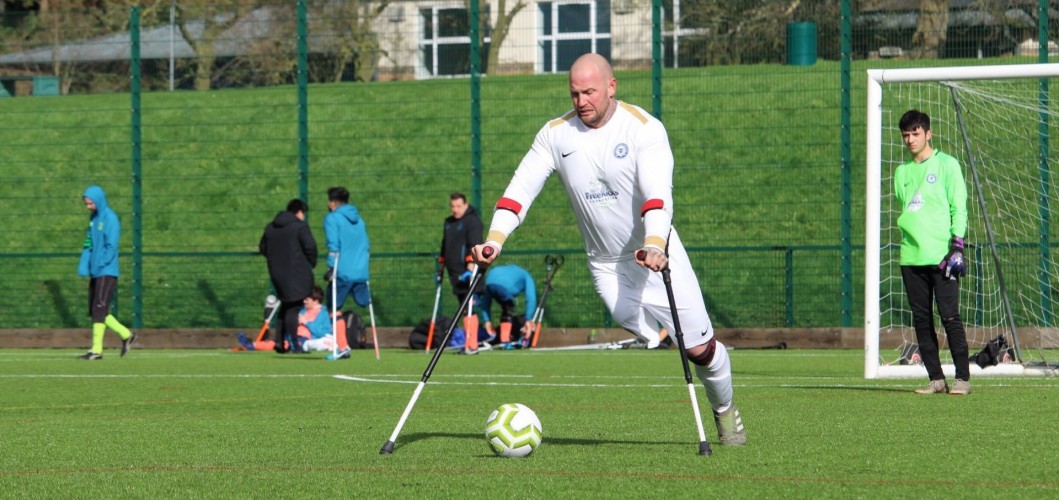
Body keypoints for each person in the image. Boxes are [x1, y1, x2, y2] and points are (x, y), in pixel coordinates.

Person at [469, 53, 746, 446]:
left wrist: (655, 244)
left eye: (590, 92)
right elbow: (519, 190)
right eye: (575, 93)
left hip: (657, 254)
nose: (581, 101)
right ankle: (663, 336)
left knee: (701, 350)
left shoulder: (644, 129)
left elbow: (657, 195)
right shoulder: (554, 134)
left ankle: (725, 412)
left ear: (612, 86)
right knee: (648, 332)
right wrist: (494, 239)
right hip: (606, 265)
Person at [895, 109, 971, 395]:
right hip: (911, 257)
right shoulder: (901, 172)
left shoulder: (947, 165)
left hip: (943, 256)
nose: (910, 139)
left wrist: (957, 246)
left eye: (915, 133)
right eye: (905, 135)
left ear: (928, 133)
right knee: (922, 319)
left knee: (950, 317)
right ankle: (936, 379)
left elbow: (958, 208)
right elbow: (907, 208)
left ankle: (962, 379)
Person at [77, 185, 136, 360]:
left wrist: (100, 263)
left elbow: (111, 246)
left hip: (107, 270)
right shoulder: (93, 219)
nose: (88, 207)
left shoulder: (110, 218)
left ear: (98, 200)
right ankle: (126, 334)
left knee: (99, 307)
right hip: (95, 270)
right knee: (95, 308)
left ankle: (96, 350)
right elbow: (89, 242)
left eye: (90, 204)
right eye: (86, 204)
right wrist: (85, 262)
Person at [259, 198, 318, 354]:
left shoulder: (270, 228)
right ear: (299, 212)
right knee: (294, 306)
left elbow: (262, 247)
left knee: (285, 304)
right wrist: (309, 264)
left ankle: (279, 340)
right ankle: (295, 345)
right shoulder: (299, 227)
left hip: (277, 272)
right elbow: (310, 247)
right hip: (297, 272)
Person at [322, 186, 370, 360]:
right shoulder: (360, 220)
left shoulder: (332, 219)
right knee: (363, 303)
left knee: (333, 307)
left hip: (342, 271)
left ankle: (343, 347)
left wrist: (330, 268)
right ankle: (344, 346)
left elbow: (333, 246)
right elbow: (365, 246)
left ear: (332, 203)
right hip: (361, 271)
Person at [439, 192, 484, 354]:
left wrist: (470, 270)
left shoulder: (473, 222)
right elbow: (444, 247)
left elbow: (474, 245)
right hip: (455, 275)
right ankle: (468, 343)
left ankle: (472, 345)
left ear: (465, 205)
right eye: (453, 206)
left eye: (458, 206)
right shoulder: (449, 223)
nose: (455, 209)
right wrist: (441, 270)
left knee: (469, 307)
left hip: (469, 274)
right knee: (464, 308)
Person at [478, 264, 537, 349]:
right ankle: (505, 341)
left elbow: (485, 302)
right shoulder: (527, 276)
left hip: (490, 278)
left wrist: (487, 321)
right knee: (508, 307)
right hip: (503, 286)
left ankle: (498, 337)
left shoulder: (511, 273)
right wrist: (528, 319)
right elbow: (531, 298)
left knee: (505, 306)